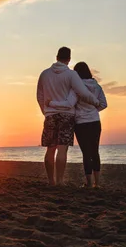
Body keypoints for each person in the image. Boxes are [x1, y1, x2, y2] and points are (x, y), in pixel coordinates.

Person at [36, 47, 100, 186]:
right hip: (67, 115)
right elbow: (82, 92)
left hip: (50, 115)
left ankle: (51, 181)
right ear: (69, 59)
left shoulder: (44, 74)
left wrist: (46, 111)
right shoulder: (71, 75)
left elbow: (40, 96)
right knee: (62, 148)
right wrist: (95, 102)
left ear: (57, 57)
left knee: (50, 148)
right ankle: (60, 181)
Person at [49, 62, 107, 188]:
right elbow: (103, 104)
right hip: (95, 122)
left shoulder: (76, 88)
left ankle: (89, 183)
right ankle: (97, 183)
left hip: (81, 123)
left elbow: (69, 103)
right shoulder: (97, 87)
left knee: (86, 153)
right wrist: (92, 111)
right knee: (95, 151)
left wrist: (52, 103)